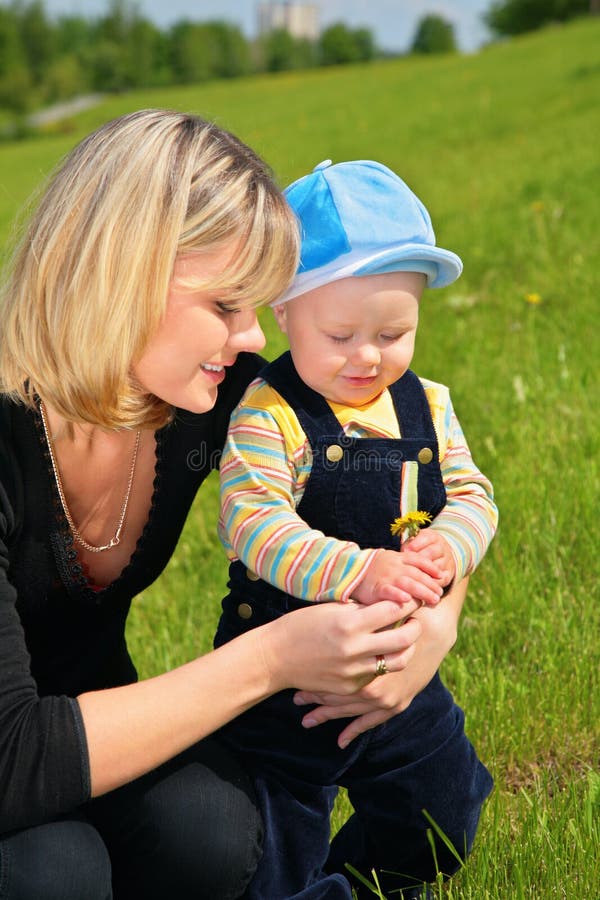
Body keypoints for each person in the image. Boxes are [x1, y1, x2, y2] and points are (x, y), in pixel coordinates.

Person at [0, 117, 433, 900]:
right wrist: (268, 660)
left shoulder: (209, 398)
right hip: (11, 757)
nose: (251, 336)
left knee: (209, 829)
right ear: (119, 273)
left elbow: (412, 466)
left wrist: (433, 629)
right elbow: (10, 759)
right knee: (52, 872)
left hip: (91, 722)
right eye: (228, 303)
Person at [215, 159, 499, 899]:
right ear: (286, 314)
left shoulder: (426, 405)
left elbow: (474, 494)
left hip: (395, 665)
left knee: (444, 804)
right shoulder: (267, 413)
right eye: (340, 334)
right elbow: (254, 522)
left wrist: (452, 543)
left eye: (394, 331)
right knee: (273, 845)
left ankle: (368, 880)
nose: (368, 355)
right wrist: (356, 570)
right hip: (287, 684)